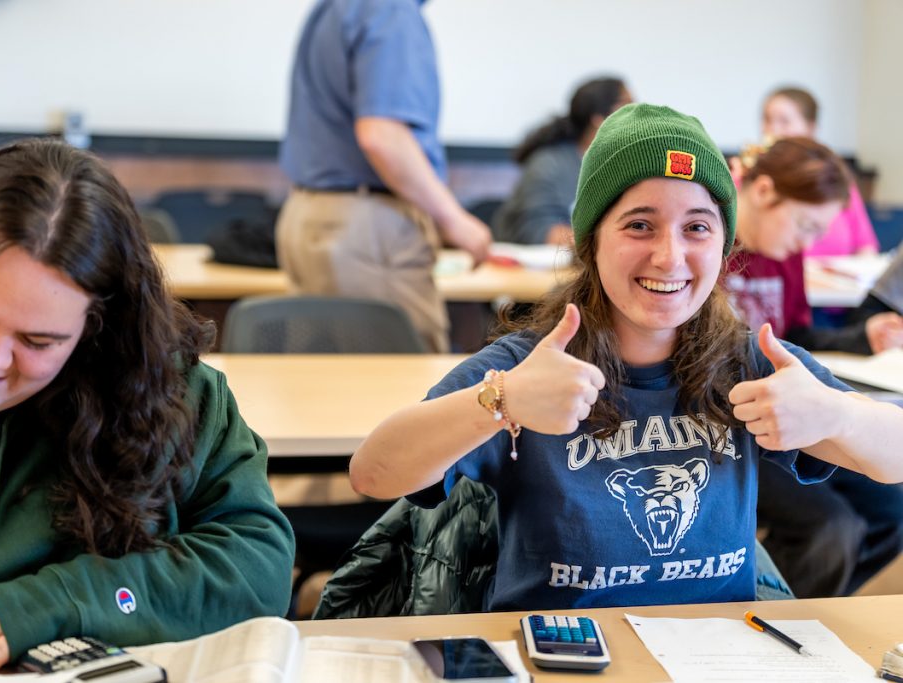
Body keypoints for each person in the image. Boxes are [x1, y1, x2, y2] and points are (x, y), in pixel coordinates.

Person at [348, 103, 903, 611]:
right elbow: (373, 471)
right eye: (639, 225)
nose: (670, 256)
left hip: (715, 656)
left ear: (723, 244)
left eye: (697, 228)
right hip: (563, 658)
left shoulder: (748, 361)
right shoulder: (533, 365)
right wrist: (502, 400)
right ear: (591, 242)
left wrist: (837, 413)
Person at [0, 140, 295, 672]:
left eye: (37, 341)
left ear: (94, 329)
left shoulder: (168, 391)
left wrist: (57, 603)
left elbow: (257, 568)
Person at [726, 137, 903, 597]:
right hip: (733, 424)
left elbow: (795, 339)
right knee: (832, 530)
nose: (804, 243)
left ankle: (815, 602)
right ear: (762, 192)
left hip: (791, 410)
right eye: (804, 225)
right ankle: (767, 613)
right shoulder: (711, 243)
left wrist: (860, 338)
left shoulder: (782, 253)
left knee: (892, 510)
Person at [275, 0, 492, 354]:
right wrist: (454, 221)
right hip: (366, 228)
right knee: (408, 387)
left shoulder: (336, 8)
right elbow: (382, 137)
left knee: (330, 388)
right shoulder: (391, 11)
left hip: (308, 213)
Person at [493, 77, 632, 246]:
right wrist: (607, 244)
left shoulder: (623, 166)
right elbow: (541, 232)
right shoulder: (548, 164)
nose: (637, 115)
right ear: (599, 119)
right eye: (627, 106)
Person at [761, 86, 879, 258]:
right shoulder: (753, 179)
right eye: (767, 120)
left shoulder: (835, 180)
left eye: (784, 121)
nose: (772, 130)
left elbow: (866, 247)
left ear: (810, 128)